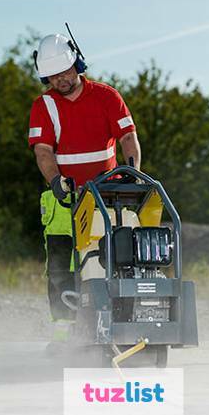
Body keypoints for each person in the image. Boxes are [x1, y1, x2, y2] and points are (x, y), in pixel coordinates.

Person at [28, 33, 141, 344]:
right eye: (53, 76)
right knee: (61, 266)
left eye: (65, 71)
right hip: (65, 196)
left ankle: (124, 321)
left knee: (116, 259)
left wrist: (132, 173)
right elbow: (43, 151)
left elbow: (128, 138)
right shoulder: (43, 106)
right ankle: (63, 331)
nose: (61, 80)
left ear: (77, 63)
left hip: (108, 195)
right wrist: (55, 182)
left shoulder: (107, 97)